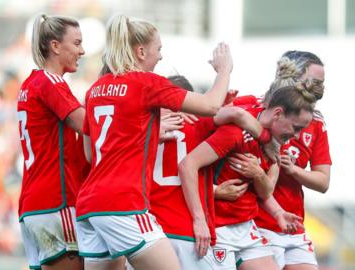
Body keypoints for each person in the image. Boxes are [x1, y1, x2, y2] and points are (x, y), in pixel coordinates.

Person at [75, 14, 234, 270]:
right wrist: (224, 71)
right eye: (158, 49)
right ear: (140, 51)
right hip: (124, 204)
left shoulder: (95, 89)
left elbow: (91, 155)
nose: (160, 56)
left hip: (89, 206)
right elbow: (211, 105)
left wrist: (144, 137)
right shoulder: (145, 83)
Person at [179, 85, 316, 270]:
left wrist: (277, 212)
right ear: (277, 113)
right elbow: (188, 165)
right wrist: (200, 217)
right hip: (218, 227)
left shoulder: (278, 141)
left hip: (246, 226)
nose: (297, 135)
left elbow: (266, 191)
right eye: (296, 127)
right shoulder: (236, 132)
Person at [151, 75, 272, 269]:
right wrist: (268, 139)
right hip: (187, 227)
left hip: (151, 230)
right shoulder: (199, 122)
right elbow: (235, 114)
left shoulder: (140, 128)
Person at [17, 14, 85, 270]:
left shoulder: (30, 83)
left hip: (34, 204)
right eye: (77, 43)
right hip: (56, 201)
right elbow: (87, 124)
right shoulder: (51, 83)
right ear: (55, 46)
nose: (82, 50)